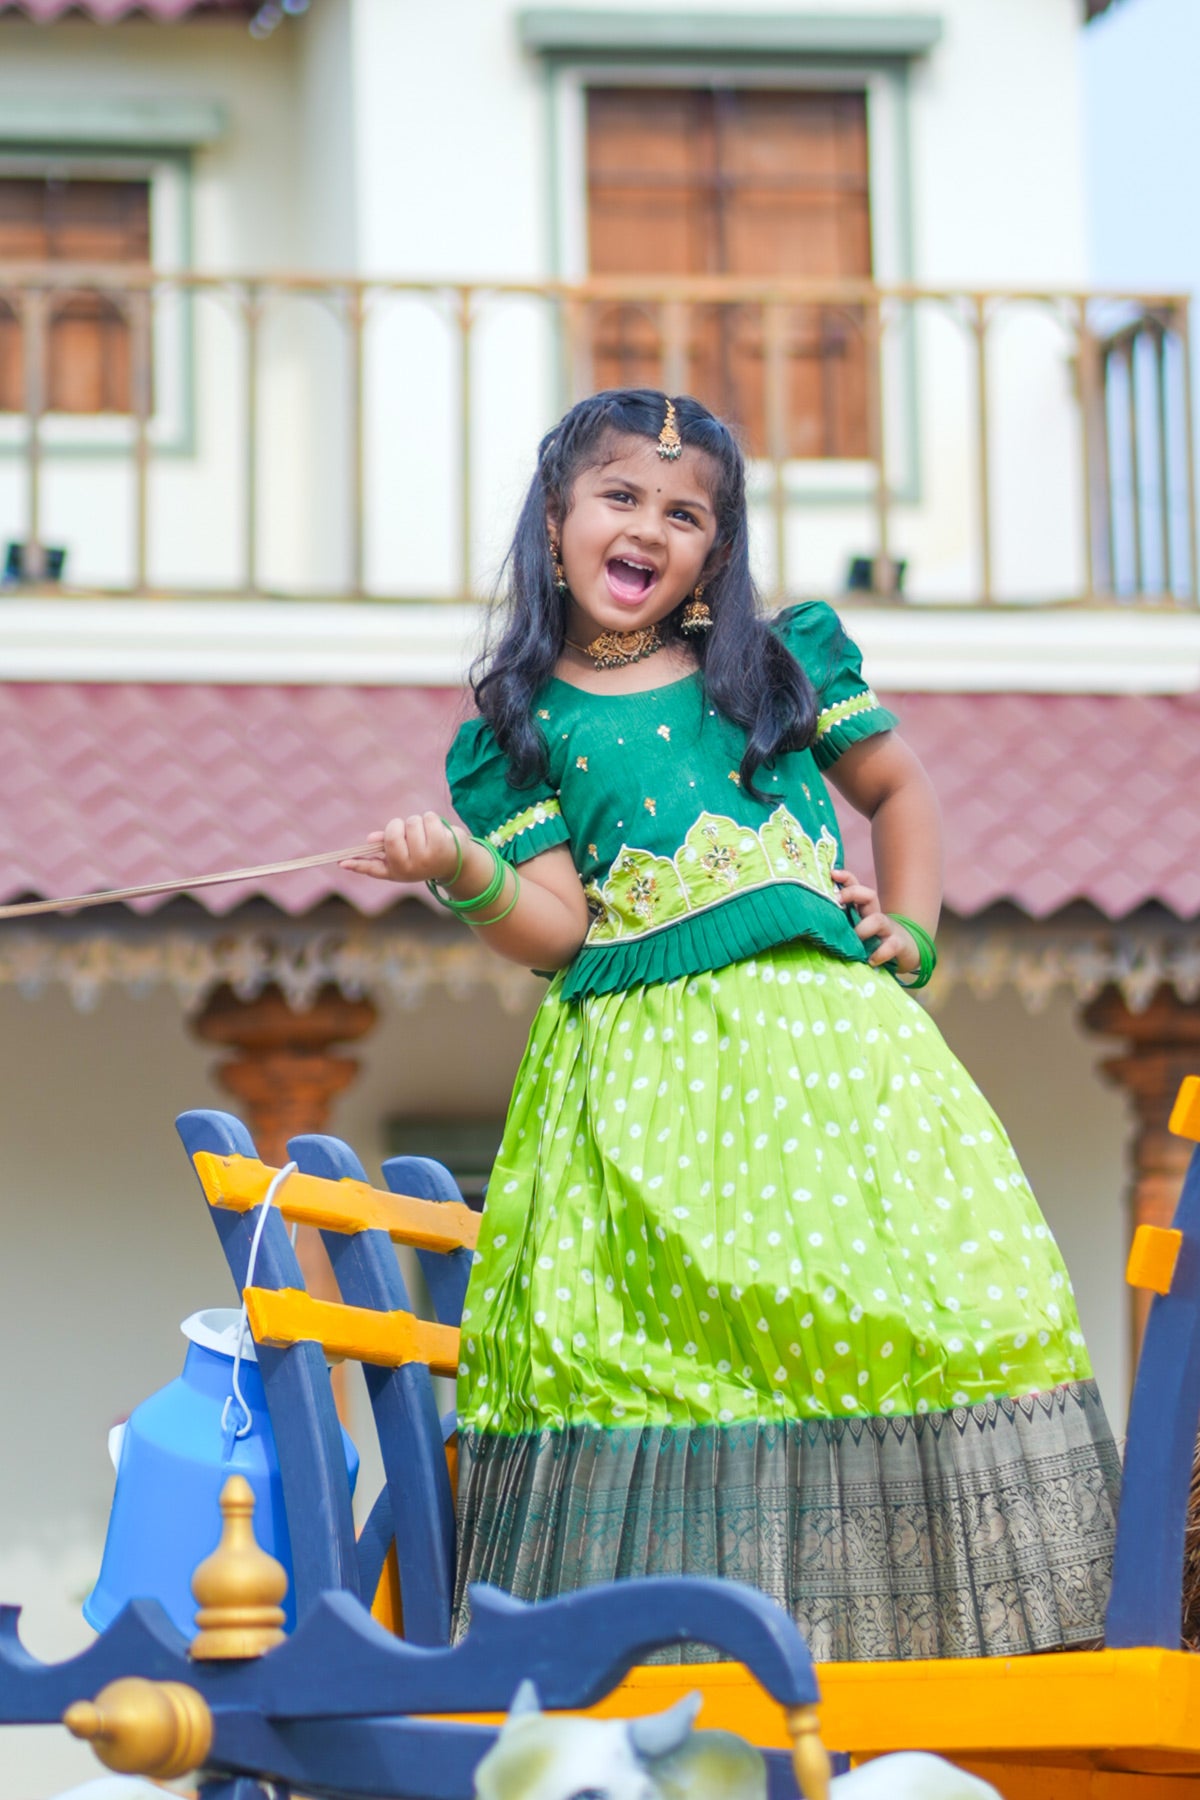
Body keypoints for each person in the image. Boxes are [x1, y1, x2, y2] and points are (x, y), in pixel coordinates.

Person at [343, 388, 1120, 1662]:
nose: (648, 524)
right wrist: (461, 871)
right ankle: (679, 1659)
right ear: (556, 524)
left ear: (717, 545)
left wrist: (913, 934)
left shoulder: (770, 663)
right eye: (620, 496)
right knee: (662, 1348)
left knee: (886, 1314)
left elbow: (897, 788)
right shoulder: (516, 733)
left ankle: (873, 1652)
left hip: (839, 1067)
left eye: (683, 510)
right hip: (641, 1092)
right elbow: (557, 929)